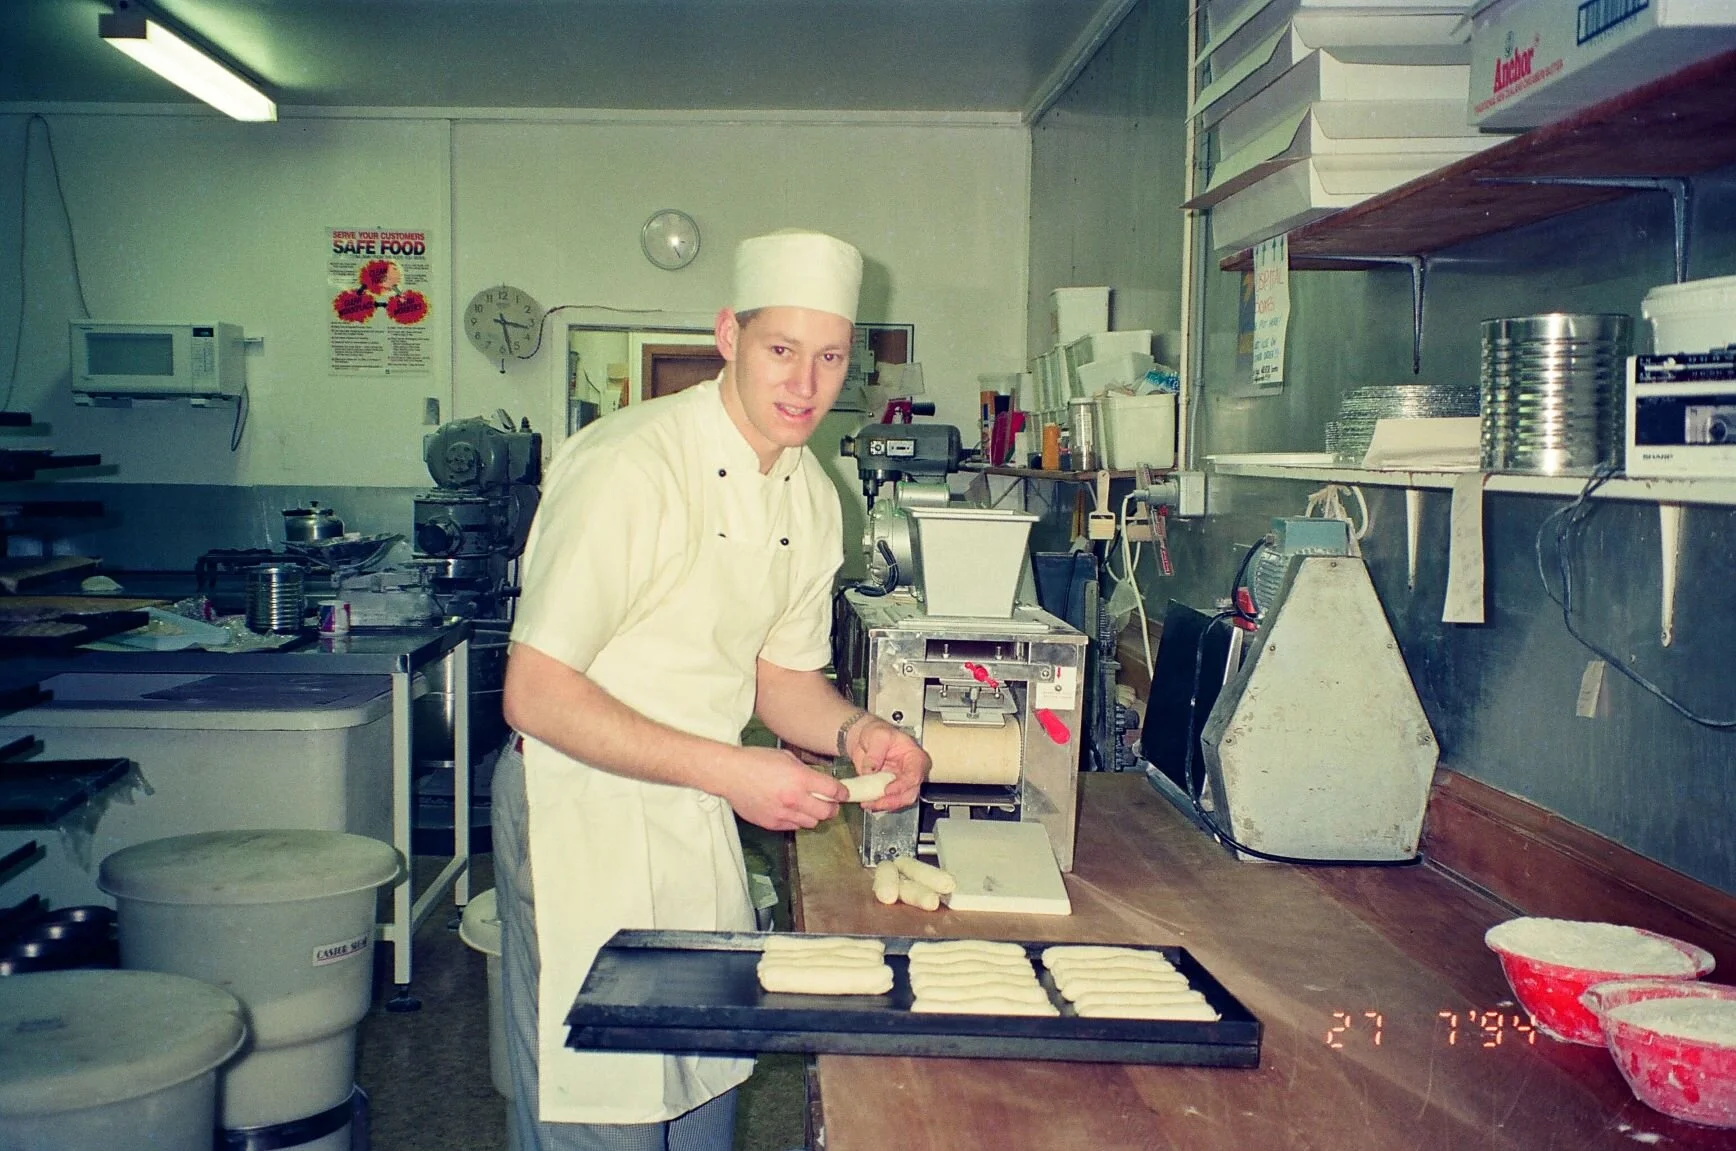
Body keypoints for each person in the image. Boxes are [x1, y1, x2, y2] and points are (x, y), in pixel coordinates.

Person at [495, 228, 930, 1150]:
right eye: (781, 350)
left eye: (829, 358)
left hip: (693, 808)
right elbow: (534, 692)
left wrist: (858, 731)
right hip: (579, 801)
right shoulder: (631, 465)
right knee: (601, 1092)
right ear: (728, 333)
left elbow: (783, 682)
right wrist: (730, 772)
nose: (805, 386)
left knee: (702, 1078)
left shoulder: (813, 494)